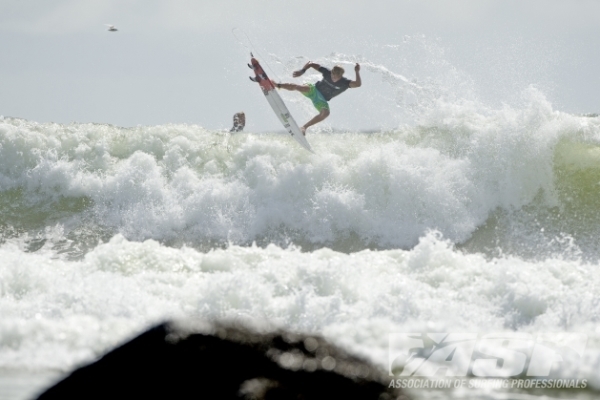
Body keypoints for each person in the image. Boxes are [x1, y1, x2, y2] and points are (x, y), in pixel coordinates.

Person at [274, 61, 361, 135]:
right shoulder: (327, 72)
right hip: (313, 89)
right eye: (333, 75)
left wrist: (357, 71)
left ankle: (304, 127)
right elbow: (311, 64)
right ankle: (276, 85)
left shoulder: (344, 83)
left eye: (336, 77)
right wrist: (302, 71)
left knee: (326, 113)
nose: (334, 78)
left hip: (321, 100)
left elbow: (358, 84)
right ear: (331, 72)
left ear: (341, 76)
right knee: (300, 87)